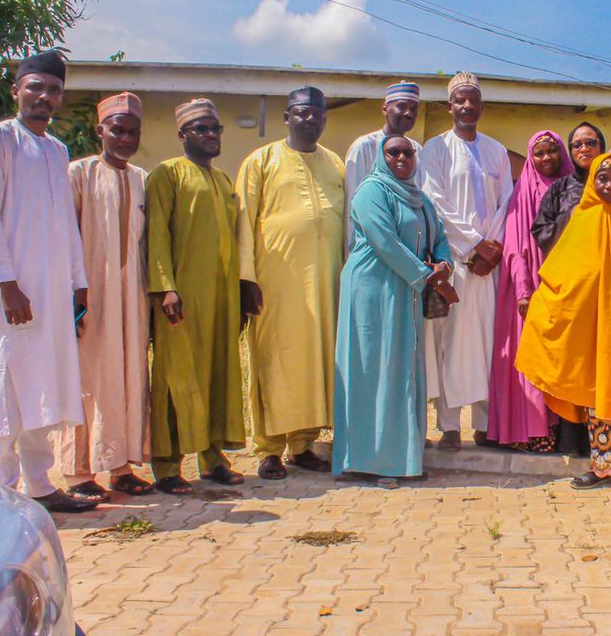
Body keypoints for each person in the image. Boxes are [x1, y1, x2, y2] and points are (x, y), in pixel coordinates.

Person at [0, 50, 96, 513]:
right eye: (35, 87)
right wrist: (6, 283)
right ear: (17, 90)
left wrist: (78, 281)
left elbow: (66, 220)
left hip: (50, 290)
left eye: (54, 90)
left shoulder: (56, 149)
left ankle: (40, 484)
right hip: (13, 291)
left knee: (43, 382)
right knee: (7, 383)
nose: (44, 97)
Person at [516, 154, 611, 492]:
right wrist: (545, 306)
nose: (608, 185)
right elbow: (561, 273)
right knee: (597, 393)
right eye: (602, 179)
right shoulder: (582, 219)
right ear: (592, 181)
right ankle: (602, 465)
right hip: (594, 324)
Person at [333, 136, 456, 487]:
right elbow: (384, 240)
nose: (402, 158)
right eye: (393, 152)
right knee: (371, 368)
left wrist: (444, 264)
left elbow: (439, 237)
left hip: (405, 291)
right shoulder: (371, 192)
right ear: (381, 158)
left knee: (401, 368)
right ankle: (367, 460)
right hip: (371, 291)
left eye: (407, 153)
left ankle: (402, 458)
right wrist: (423, 274)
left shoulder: (419, 199)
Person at [236, 86, 344, 481]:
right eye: (301, 112)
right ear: (287, 117)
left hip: (325, 280)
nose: (310, 119)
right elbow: (244, 223)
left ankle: (303, 444)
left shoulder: (335, 163)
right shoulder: (260, 161)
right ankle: (268, 449)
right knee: (275, 359)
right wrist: (245, 279)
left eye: (317, 113)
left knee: (314, 360)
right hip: (274, 282)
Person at [146, 98, 245, 493]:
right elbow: (156, 235)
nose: (211, 135)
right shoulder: (166, 175)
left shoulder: (223, 180)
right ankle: (168, 466)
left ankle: (212, 458)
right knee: (177, 377)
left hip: (221, 297)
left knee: (217, 376)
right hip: (181, 300)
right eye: (201, 129)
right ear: (182, 135)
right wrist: (165, 287)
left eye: (216, 129)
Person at [58, 92, 153, 502]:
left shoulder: (141, 179)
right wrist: (71, 295)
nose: (126, 138)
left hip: (132, 297)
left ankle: (120, 466)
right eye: (118, 129)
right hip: (89, 295)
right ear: (101, 131)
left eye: (133, 132)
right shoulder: (77, 174)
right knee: (88, 379)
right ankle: (78, 473)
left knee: (129, 376)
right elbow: (63, 237)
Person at [419, 72, 514, 450]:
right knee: (450, 342)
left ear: (481, 107)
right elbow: (434, 201)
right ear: (450, 106)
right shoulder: (435, 149)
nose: (466, 106)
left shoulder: (497, 151)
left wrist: (491, 249)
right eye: (460, 100)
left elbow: (508, 203)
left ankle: (486, 424)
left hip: (488, 266)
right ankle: (449, 425)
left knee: (487, 343)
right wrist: (473, 245)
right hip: (455, 261)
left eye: (473, 100)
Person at [487, 131, 573, 452]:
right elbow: (515, 245)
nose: (547, 158)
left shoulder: (573, 188)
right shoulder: (522, 191)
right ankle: (530, 431)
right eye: (539, 153)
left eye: (552, 151)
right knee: (527, 356)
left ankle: (562, 433)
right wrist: (524, 290)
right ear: (530, 157)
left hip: (565, 286)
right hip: (530, 288)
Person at [343, 81, 423, 250]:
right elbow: (353, 208)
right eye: (402, 106)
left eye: (414, 108)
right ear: (385, 108)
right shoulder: (364, 147)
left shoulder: (417, 151)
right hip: (371, 249)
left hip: (409, 249)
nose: (409, 113)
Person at [532, 122, 605, 255]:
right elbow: (540, 231)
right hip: (572, 266)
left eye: (591, 143)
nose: (584, 149)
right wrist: (568, 217)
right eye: (577, 145)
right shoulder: (559, 188)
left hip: (610, 263)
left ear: (602, 147)